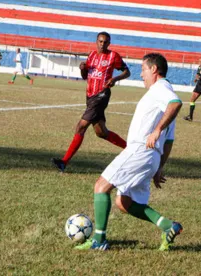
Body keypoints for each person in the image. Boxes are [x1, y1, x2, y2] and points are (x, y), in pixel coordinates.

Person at [75, 53, 183, 251]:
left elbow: (176, 104)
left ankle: (99, 241)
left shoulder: (161, 89)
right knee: (124, 202)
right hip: (151, 156)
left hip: (141, 149)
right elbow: (169, 140)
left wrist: (156, 130)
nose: (141, 74)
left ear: (154, 70)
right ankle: (168, 226)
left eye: (143, 69)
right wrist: (159, 166)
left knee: (101, 186)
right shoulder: (163, 95)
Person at [51, 32, 130, 172]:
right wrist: (83, 69)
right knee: (101, 132)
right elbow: (85, 76)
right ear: (96, 42)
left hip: (102, 95)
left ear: (109, 43)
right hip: (90, 96)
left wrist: (115, 79)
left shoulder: (113, 56)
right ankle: (131, 149)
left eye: (105, 42)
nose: (102, 44)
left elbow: (127, 72)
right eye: (100, 41)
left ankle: (64, 162)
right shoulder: (92, 55)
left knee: (81, 127)